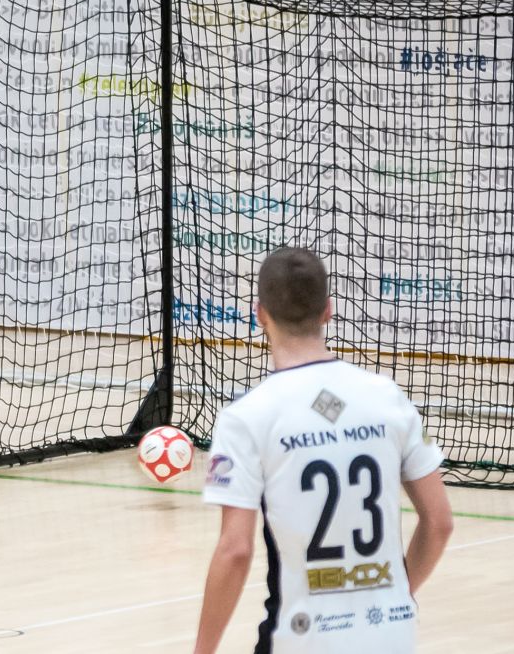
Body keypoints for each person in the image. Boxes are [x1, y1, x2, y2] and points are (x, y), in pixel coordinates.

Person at [194, 247, 454, 653]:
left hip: (303, 638)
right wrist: (397, 597)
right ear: (328, 310)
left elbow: (236, 550)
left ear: (260, 314)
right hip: (392, 635)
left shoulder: (246, 417)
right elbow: (439, 522)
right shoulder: (387, 397)